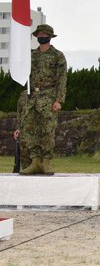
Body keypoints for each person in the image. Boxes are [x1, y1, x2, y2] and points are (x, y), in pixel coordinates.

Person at [14, 24, 67, 175]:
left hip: (48, 98)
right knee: (30, 131)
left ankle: (46, 162)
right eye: (39, 34)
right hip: (32, 99)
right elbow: (25, 75)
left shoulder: (58, 56)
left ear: (50, 36)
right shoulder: (30, 55)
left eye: (44, 34)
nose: (41, 36)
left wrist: (59, 100)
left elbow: (62, 79)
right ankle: (35, 161)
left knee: (47, 131)